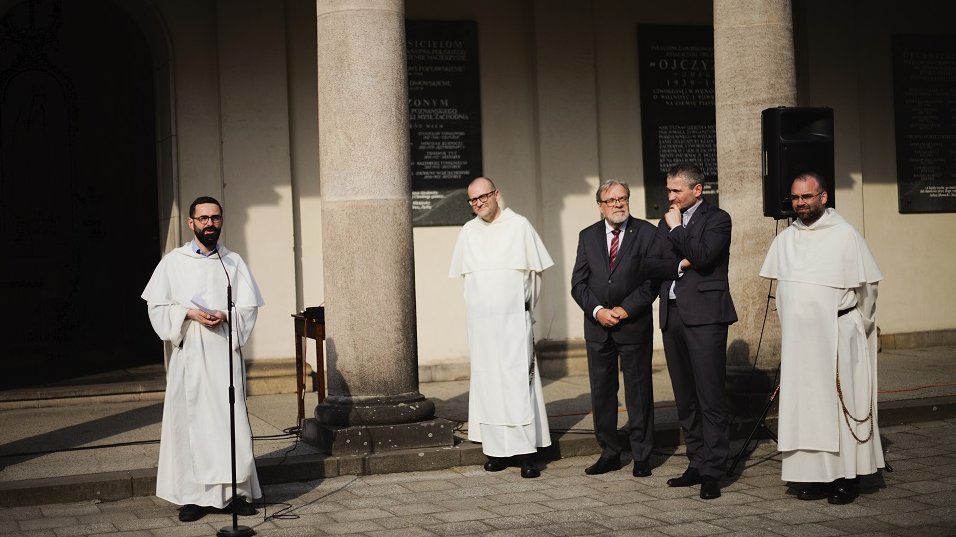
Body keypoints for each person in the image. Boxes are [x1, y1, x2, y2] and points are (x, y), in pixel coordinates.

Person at [760, 172, 884, 505]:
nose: (800, 203)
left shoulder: (845, 236)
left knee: (838, 408)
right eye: (795, 198)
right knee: (805, 408)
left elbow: (868, 289)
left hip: (838, 335)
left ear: (824, 197)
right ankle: (811, 475)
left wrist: (861, 325)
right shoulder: (786, 240)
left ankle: (847, 477)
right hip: (801, 343)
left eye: (807, 197)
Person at [142, 196, 264, 522]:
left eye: (215, 218)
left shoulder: (232, 262)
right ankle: (193, 497)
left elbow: (249, 307)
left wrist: (224, 314)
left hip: (224, 354)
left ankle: (235, 493)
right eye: (203, 218)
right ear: (191, 223)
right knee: (191, 425)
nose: (210, 223)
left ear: (222, 221)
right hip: (191, 355)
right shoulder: (173, 262)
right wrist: (189, 313)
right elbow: (158, 307)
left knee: (229, 422)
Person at [449, 177, 553, 478]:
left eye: (483, 197)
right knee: (488, 383)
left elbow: (535, 279)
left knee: (517, 382)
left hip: (513, 322)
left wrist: (521, 310)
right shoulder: (468, 232)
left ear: (497, 194)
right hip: (482, 325)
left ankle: (525, 453)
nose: (479, 203)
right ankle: (496, 450)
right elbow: (468, 282)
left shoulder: (519, 226)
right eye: (473, 200)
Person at [645, 162, 737, 499]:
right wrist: (682, 263)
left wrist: (675, 232)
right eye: (668, 190)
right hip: (672, 317)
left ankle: (714, 468)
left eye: (676, 191)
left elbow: (704, 254)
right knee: (685, 397)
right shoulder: (667, 219)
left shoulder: (717, 219)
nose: (670, 197)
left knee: (709, 395)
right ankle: (696, 461)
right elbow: (651, 264)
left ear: (697, 190)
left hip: (706, 317)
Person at [571, 179, 659, 478]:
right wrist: (598, 311)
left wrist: (625, 309)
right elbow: (578, 283)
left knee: (639, 391)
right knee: (602, 393)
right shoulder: (587, 236)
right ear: (600, 206)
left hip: (633, 325)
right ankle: (609, 452)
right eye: (611, 200)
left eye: (623, 198)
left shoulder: (647, 232)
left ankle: (642, 455)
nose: (618, 204)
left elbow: (652, 281)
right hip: (598, 329)